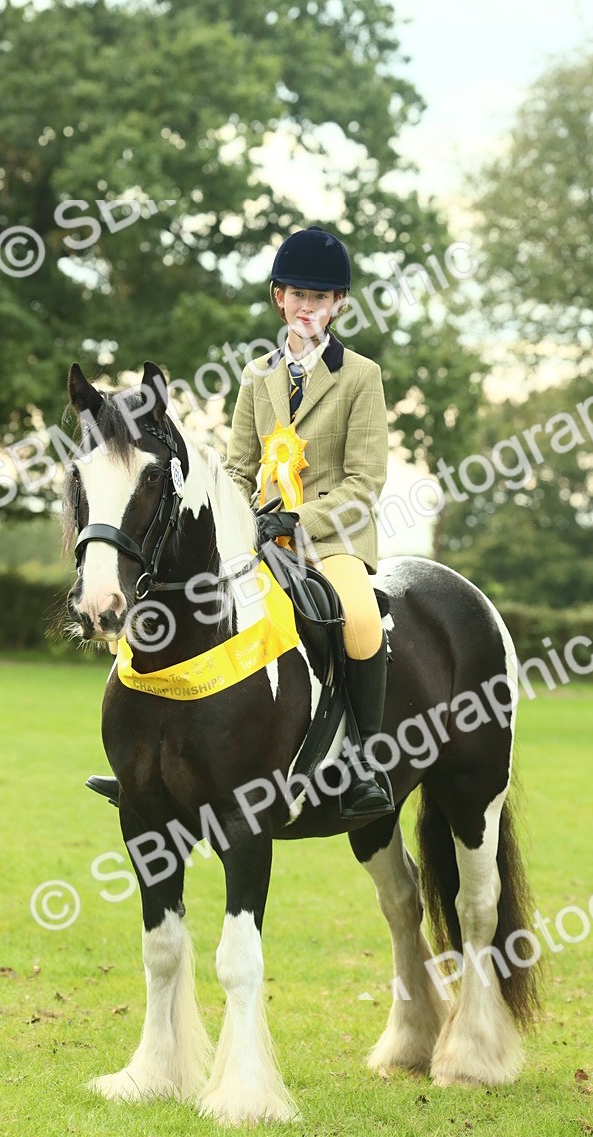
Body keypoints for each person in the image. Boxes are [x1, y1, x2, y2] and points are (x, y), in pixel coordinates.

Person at [225, 224, 394, 819]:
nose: (306, 307)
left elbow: (365, 483)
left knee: (361, 621)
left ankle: (365, 763)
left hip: (331, 538)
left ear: (338, 304)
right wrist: (236, 521)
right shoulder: (255, 376)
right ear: (279, 298)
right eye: (297, 295)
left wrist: (297, 519)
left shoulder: (361, 377)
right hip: (258, 537)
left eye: (319, 298)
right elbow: (238, 468)